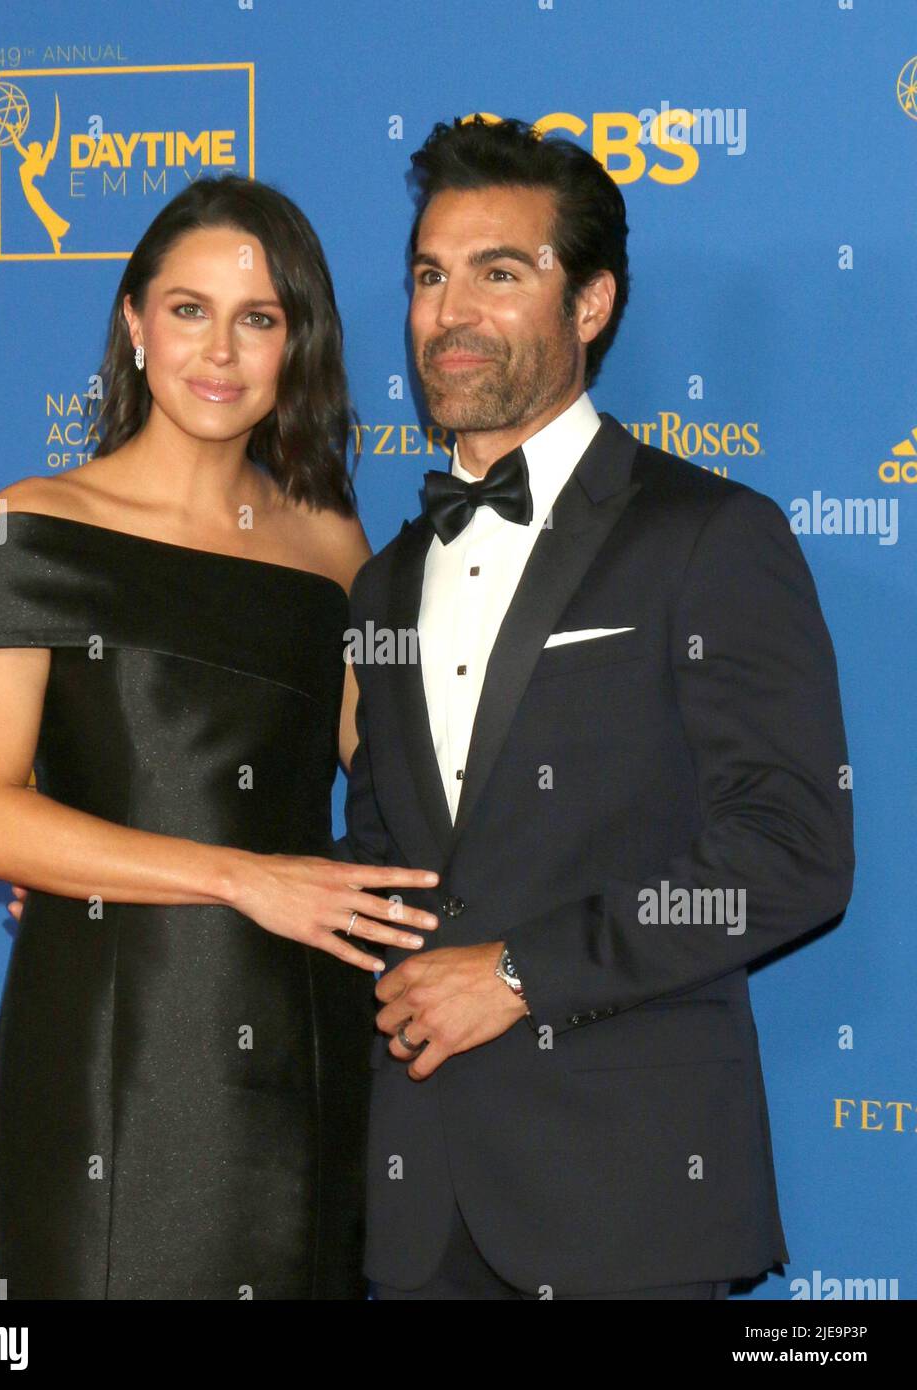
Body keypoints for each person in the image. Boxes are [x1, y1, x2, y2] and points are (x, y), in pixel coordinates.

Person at [340, 117, 855, 1300]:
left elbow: (789, 853)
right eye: (429, 275)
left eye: (498, 272)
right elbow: (384, 871)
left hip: (629, 1206)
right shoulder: (384, 580)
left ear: (590, 304)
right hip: (420, 1213)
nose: (448, 311)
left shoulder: (711, 537)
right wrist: (143, 891)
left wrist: (517, 971)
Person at [0, 173, 439, 1300]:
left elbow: (393, 781)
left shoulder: (327, 544)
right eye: (187, 310)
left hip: (302, 1027)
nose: (220, 351)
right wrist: (238, 878)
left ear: (294, 341)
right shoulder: (43, 524)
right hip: (111, 1044)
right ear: (133, 323)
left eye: (257, 318)